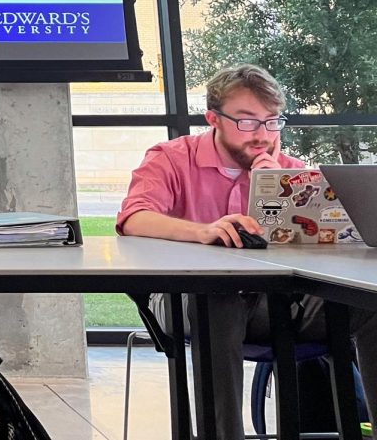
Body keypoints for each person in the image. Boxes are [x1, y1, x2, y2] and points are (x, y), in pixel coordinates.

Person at [117, 63, 377, 440]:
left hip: (278, 304)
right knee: (216, 298)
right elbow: (134, 218)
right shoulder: (171, 158)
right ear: (214, 119)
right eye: (247, 122)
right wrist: (204, 231)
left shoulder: (289, 171)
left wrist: (271, 186)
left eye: (272, 122)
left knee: (370, 300)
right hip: (186, 300)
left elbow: (323, 242)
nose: (262, 134)